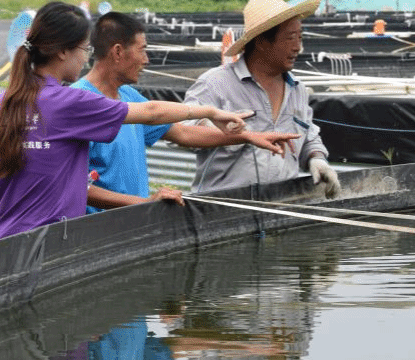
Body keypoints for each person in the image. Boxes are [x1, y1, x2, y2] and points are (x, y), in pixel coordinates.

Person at [0, 1, 250, 241]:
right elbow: (150, 112)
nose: (85, 59)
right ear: (62, 51)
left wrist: (26, 196)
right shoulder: (67, 102)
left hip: (2, 248)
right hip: (52, 247)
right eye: (83, 50)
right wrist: (209, 111)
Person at [71, 11, 299, 212]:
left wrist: (249, 136)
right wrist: (143, 203)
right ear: (118, 52)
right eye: (142, 50)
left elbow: (183, 133)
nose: (146, 60)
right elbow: (75, 186)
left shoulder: (129, 96)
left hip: (131, 225)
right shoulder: (77, 103)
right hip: (95, 232)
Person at [183, 0, 341, 198]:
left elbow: (308, 135)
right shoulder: (216, 84)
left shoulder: (297, 89)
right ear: (261, 42)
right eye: (290, 38)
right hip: (224, 208)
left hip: (283, 206)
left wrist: (316, 158)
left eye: (300, 37)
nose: (297, 47)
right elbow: (182, 131)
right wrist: (217, 129)